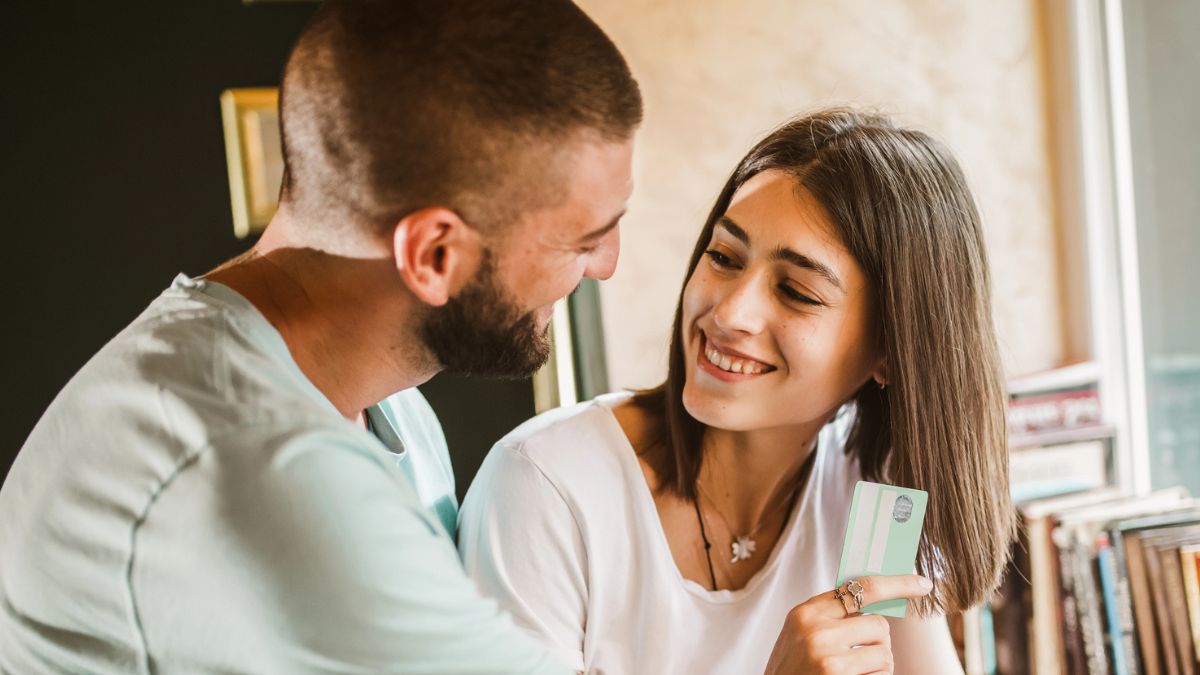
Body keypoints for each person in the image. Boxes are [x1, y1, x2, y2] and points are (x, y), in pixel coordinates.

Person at [0, 1, 641, 672]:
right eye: (585, 239)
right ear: (433, 256)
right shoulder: (254, 456)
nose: (607, 264)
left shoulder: (393, 412)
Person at [458, 108, 1017, 674]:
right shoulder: (545, 485)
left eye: (796, 291)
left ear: (889, 351)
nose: (729, 313)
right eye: (724, 257)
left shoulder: (878, 495)